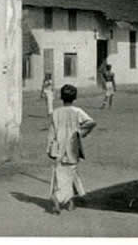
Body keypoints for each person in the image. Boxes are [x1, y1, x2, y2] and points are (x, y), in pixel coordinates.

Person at [47, 84, 97, 214]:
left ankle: (70, 201)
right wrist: (79, 132)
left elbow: (51, 132)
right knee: (70, 171)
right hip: (72, 146)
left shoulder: (56, 112)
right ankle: (59, 198)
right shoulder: (77, 111)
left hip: (58, 146)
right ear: (74, 97)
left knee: (60, 173)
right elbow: (91, 122)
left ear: (61, 97)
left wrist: (49, 148)